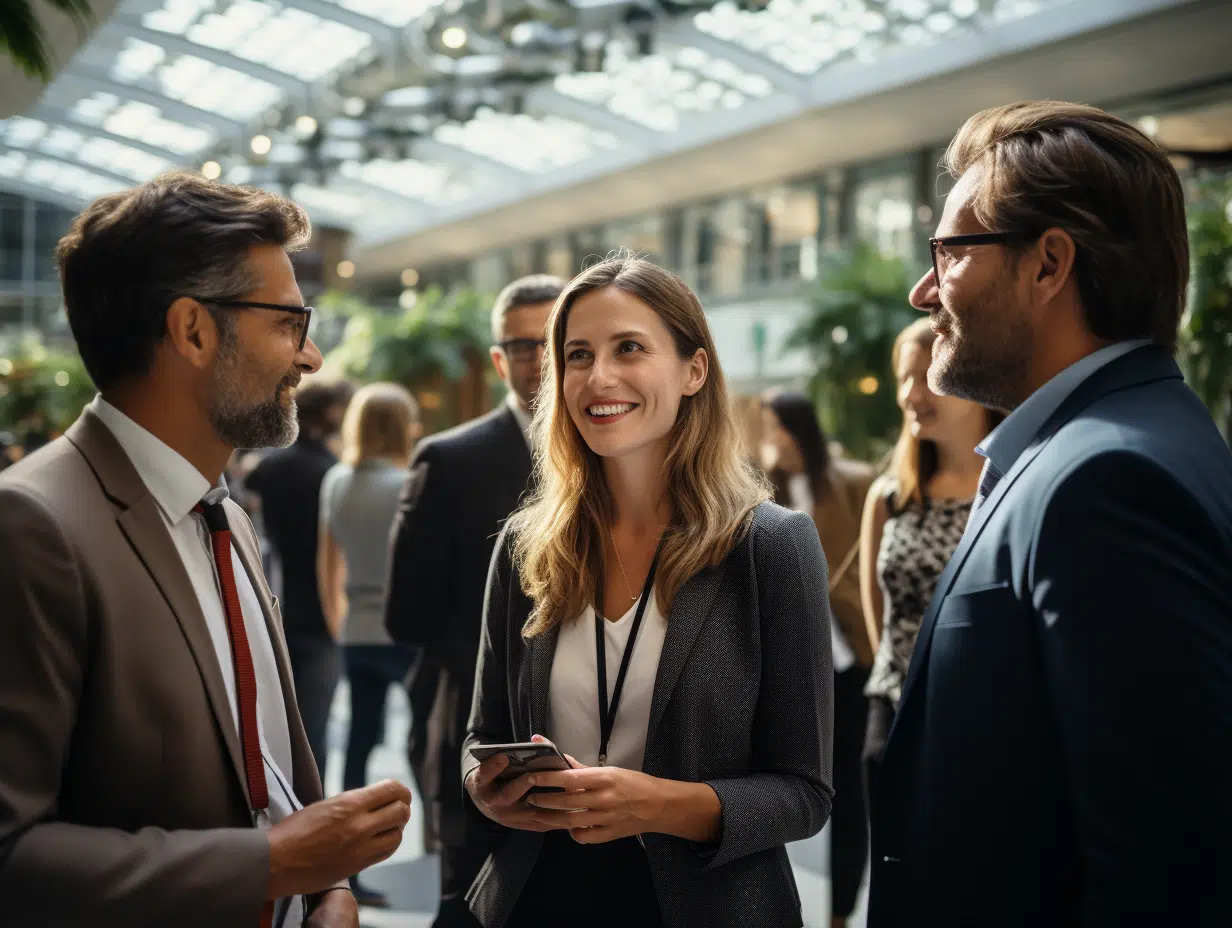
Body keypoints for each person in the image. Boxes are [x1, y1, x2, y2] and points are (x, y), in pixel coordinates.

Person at [0, 172, 411, 928]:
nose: (312, 357)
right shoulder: (32, 526)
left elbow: (271, 767)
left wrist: (331, 889)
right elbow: (10, 856)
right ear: (192, 330)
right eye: (290, 322)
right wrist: (276, 864)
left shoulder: (222, 514)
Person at [868, 101, 1232, 926]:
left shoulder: (1107, 479)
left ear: (1048, 264)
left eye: (951, 252)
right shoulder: (1104, 447)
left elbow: (1166, 869)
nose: (925, 290)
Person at [464, 255, 834, 928]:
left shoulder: (770, 547)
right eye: (577, 354)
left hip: (705, 905)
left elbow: (805, 793)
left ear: (694, 371)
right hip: (539, 897)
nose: (598, 376)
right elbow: (482, 735)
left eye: (628, 348)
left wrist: (655, 804)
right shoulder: (528, 543)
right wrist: (485, 787)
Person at [385, 274, 565, 926]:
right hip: (483, 740)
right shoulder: (450, 460)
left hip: (602, 756)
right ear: (498, 360)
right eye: (524, 345)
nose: (543, 358)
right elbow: (407, 616)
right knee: (472, 906)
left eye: (556, 339)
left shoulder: (626, 458)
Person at [858, 317, 1001, 793]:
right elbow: (878, 618)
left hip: (983, 720)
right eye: (904, 377)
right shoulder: (890, 496)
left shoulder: (1012, 488)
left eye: (928, 376)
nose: (910, 394)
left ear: (974, 380)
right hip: (893, 715)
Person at [761, 390, 874, 928]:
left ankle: (839, 915)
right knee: (782, 792)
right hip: (790, 668)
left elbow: (870, 562)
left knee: (851, 797)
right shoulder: (763, 492)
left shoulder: (852, 483)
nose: (771, 441)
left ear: (799, 430)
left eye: (778, 428)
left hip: (852, 661)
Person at [318, 382, 422, 907]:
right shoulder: (409, 482)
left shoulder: (336, 481)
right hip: (407, 632)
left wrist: (340, 623)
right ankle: (440, 854)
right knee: (426, 740)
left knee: (357, 746)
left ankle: (348, 868)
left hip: (356, 630)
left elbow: (326, 564)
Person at [246, 379, 354, 779]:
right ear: (331, 416)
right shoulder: (331, 473)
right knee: (313, 732)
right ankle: (314, 815)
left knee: (271, 733)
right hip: (319, 614)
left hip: (269, 608)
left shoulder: (271, 468)